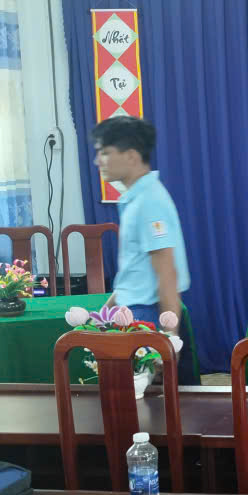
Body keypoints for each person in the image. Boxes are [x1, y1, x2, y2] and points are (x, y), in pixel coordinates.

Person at [92, 116, 197, 384]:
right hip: (134, 313)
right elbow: (135, 270)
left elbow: (166, 273)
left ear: (131, 156)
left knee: (144, 402)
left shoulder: (150, 202)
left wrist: (169, 340)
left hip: (147, 317)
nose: (98, 161)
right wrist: (104, 315)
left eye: (105, 152)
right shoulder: (136, 198)